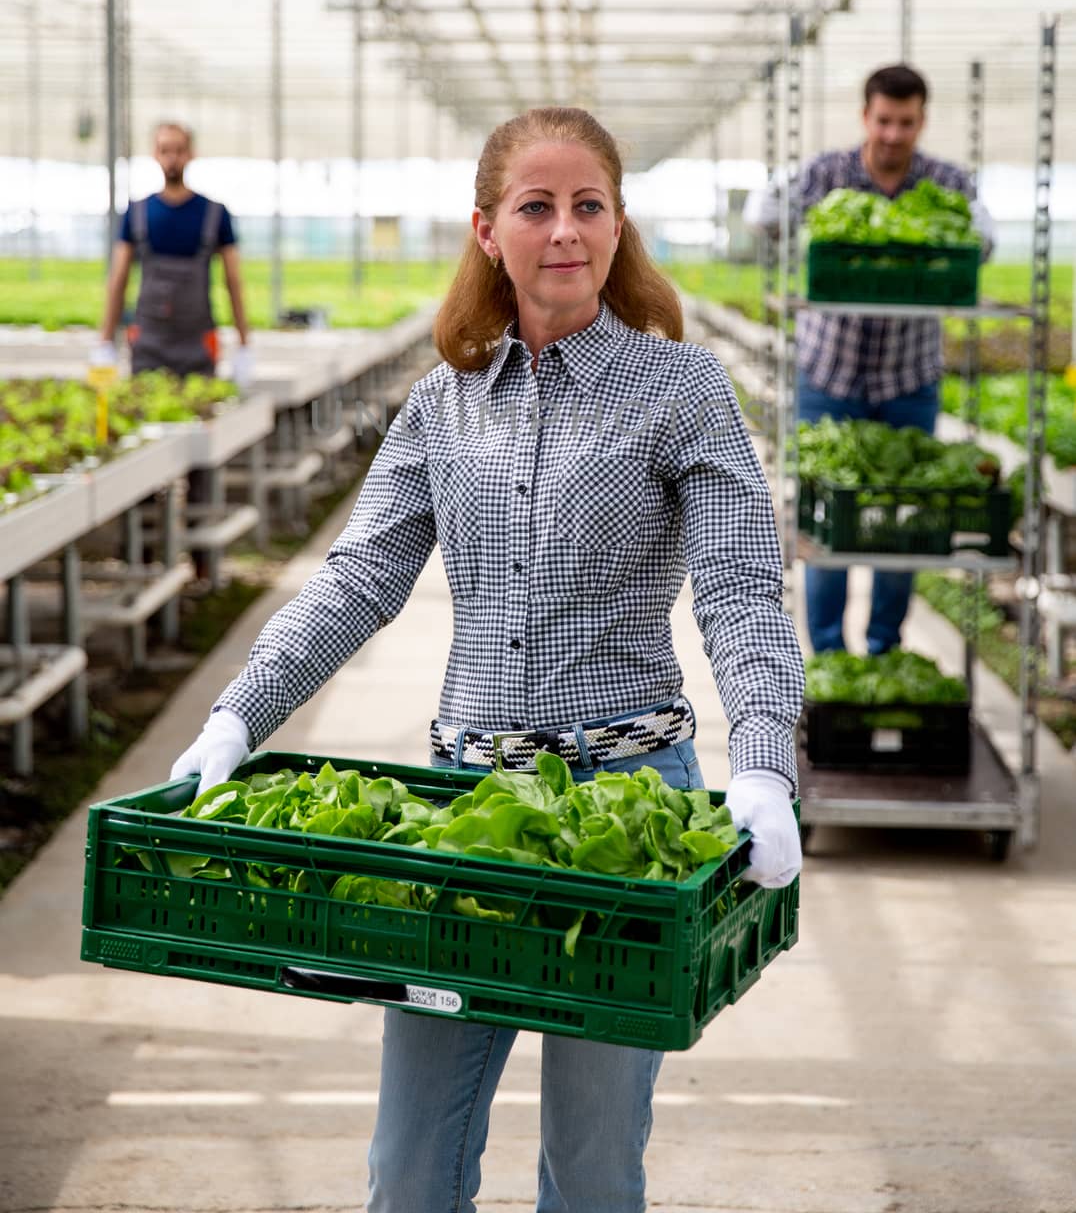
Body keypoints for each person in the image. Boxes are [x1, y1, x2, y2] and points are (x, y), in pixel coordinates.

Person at [172, 106, 804, 1213]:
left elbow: (743, 589)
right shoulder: (441, 404)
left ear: (618, 225)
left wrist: (761, 763)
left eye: (588, 205)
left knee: (594, 1164)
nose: (565, 230)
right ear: (485, 230)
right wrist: (237, 715)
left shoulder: (682, 391)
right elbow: (358, 577)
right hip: (463, 821)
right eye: (536, 206)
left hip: (623, 824)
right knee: (410, 1167)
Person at [744, 64, 994, 656]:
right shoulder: (827, 173)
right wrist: (792, 224)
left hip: (909, 379)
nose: (893, 134)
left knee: (903, 522)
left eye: (906, 123)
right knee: (829, 521)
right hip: (829, 375)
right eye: (884, 120)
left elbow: (984, 239)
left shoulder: (946, 180)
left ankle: (884, 649)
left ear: (920, 121)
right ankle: (828, 656)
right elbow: (762, 216)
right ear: (866, 116)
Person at [92, 121, 252, 387]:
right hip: (148, 342)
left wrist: (244, 344)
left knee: (200, 411)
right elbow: (118, 280)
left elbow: (233, 281)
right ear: (155, 155)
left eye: (179, 150)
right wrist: (105, 341)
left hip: (198, 342)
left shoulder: (214, 213)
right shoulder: (138, 212)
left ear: (191, 154)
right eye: (165, 151)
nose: (172, 158)